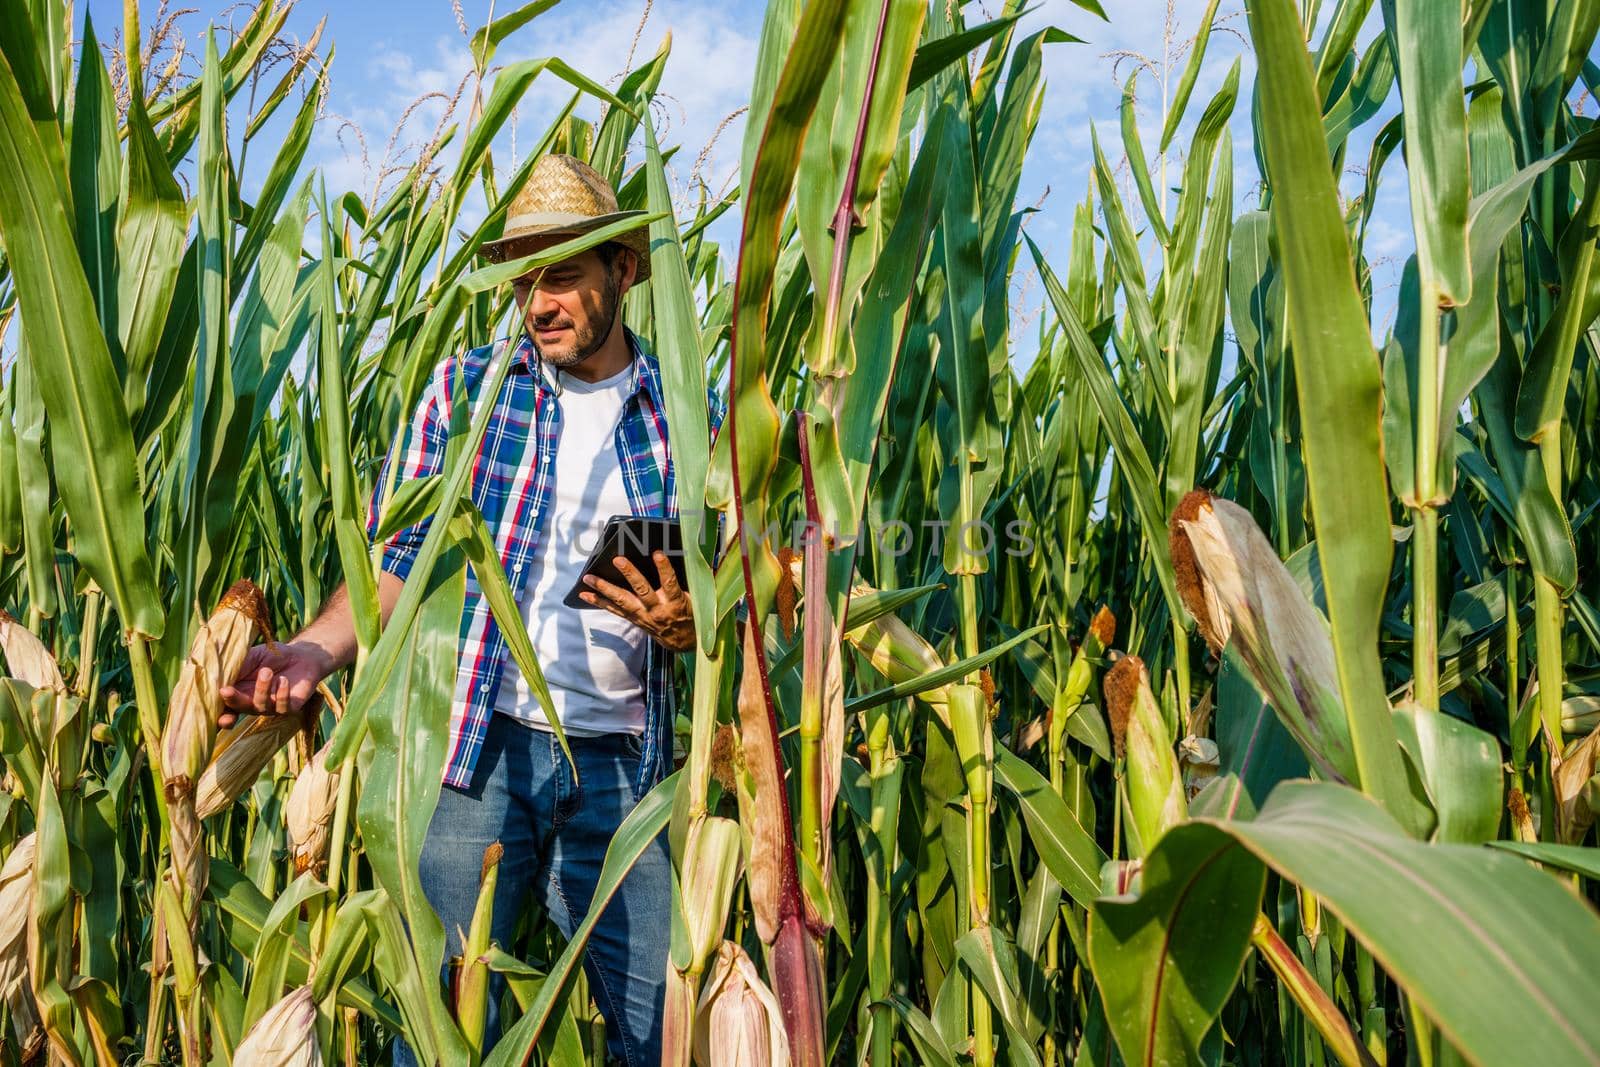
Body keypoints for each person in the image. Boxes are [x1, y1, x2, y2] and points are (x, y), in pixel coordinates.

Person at [217, 153, 724, 1066]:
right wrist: (313, 652)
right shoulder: (469, 394)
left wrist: (700, 624)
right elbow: (396, 566)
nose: (540, 301)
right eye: (525, 277)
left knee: (665, 1031)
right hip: (478, 757)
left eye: (563, 273)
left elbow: (746, 589)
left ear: (626, 271)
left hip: (623, 770)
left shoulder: (688, 416)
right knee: (445, 1033)